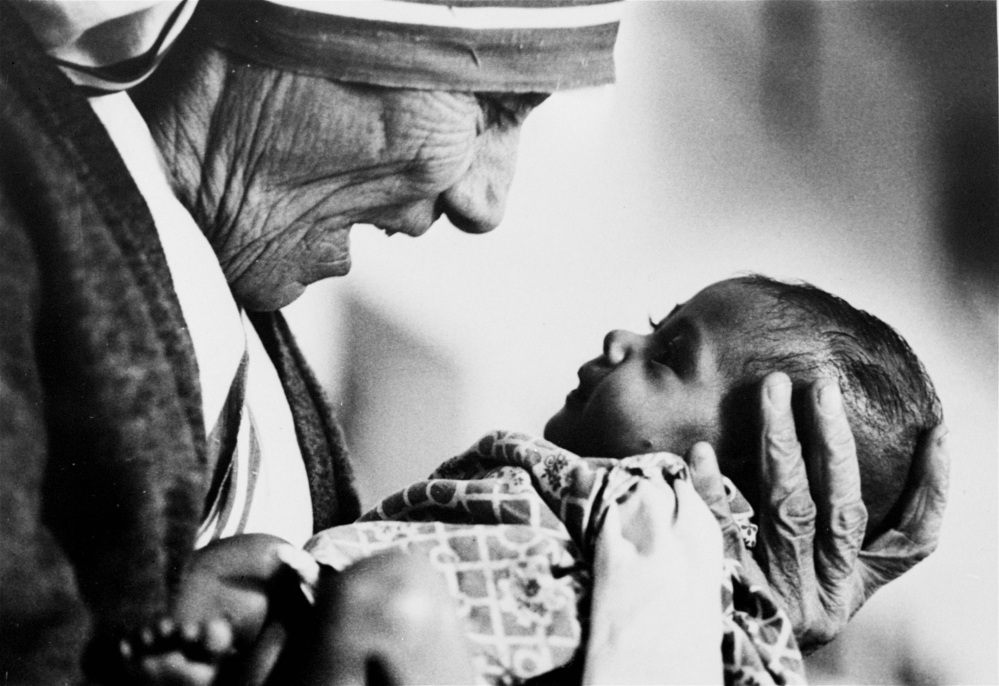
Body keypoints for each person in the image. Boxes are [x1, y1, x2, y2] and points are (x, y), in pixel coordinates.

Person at [0, 0, 948, 682]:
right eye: (495, 107)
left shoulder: (274, 374)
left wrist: (716, 617)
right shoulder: (22, 183)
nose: (485, 204)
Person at [136, 274, 941, 685]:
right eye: (656, 326)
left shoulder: (681, 548)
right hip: (324, 610)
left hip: (414, 645)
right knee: (246, 565)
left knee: (392, 606)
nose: (621, 336)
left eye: (665, 357)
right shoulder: (540, 479)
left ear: (737, 480)